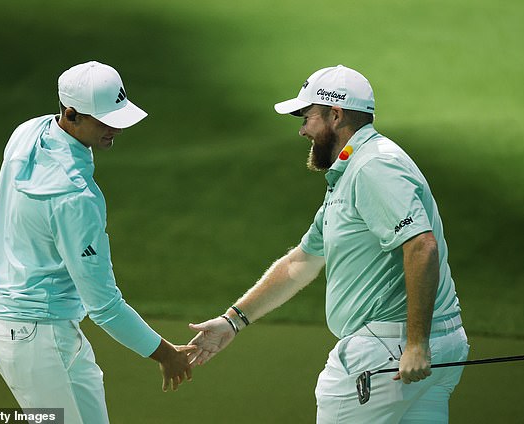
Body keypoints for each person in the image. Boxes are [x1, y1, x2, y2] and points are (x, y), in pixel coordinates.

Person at [188, 65, 469, 423]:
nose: (302, 129)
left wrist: (416, 344)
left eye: (307, 117)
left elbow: (421, 246)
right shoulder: (353, 171)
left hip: (387, 353)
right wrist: (232, 321)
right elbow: (300, 262)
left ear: (335, 115)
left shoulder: (373, 167)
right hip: (423, 349)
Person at [0, 61, 195, 424]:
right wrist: (165, 353)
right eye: (105, 119)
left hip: (21, 327)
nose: (116, 127)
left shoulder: (28, 132)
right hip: (40, 340)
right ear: (70, 114)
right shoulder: (77, 197)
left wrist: (4, 312)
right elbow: (104, 306)